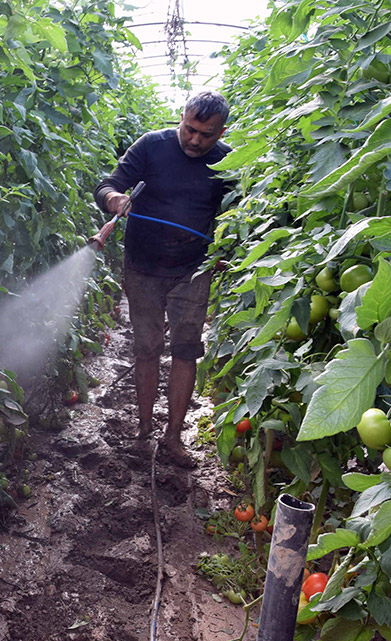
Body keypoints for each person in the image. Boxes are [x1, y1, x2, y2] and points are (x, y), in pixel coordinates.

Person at [90, 91, 233, 468]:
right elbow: (106, 185)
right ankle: (142, 427)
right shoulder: (152, 146)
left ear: (221, 132)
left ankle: (173, 437)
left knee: (187, 350)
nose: (196, 140)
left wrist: (225, 249)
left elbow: (238, 212)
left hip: (192, 270)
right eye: (190, 130)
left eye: (207, 135)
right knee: (147, 346)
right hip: (143, 267)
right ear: (181, 118)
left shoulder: (227, 162)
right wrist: (115, 200)